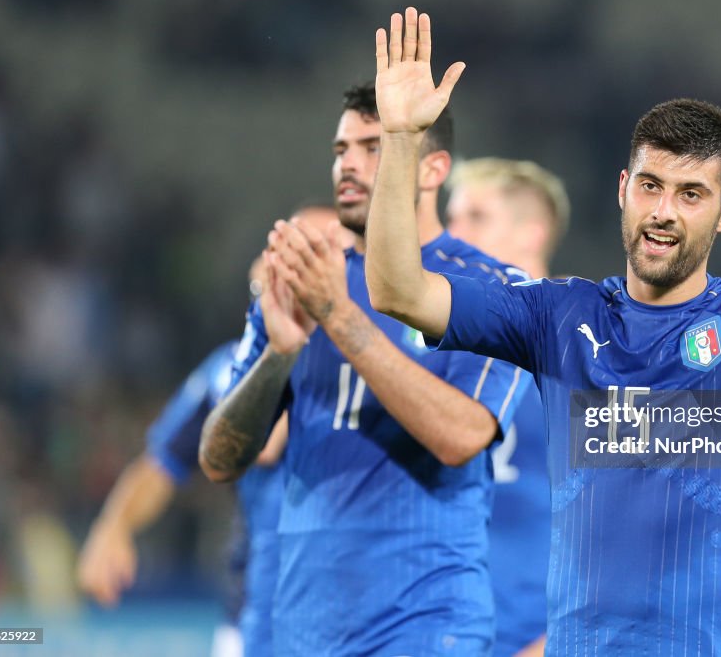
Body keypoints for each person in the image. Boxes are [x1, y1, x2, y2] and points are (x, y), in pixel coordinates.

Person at [365, 8, 721, 654]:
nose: (663, 212)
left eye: (691, 194)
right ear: (622, 188)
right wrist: (400, 141)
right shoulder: (555, 315)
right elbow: (398, 290)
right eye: (650, 186)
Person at [198, 84, 530, 656]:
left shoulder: (492, 290)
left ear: (433, 170)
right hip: (304, 632)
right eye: (340, 149)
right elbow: (219, 459)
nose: (348, 164)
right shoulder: (303, 280)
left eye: (374, 147)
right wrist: (279, 354)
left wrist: (339, 317)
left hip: (425, 628)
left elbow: (461, 436)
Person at [77, 206, 343, 657]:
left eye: (318, 251)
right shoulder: (228, 368)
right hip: (253, 617)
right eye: (286, 252)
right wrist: (113, 526)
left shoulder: (375, 367)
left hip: (353, 616)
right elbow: (163, 461)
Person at [446, 158, 570, 657]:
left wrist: (556, 644)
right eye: (450, 217)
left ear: (531, 233)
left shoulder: (587, 350)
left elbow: (638, 521)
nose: (452, 235)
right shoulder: (442, 352)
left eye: (475, 217)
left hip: (543, 638)